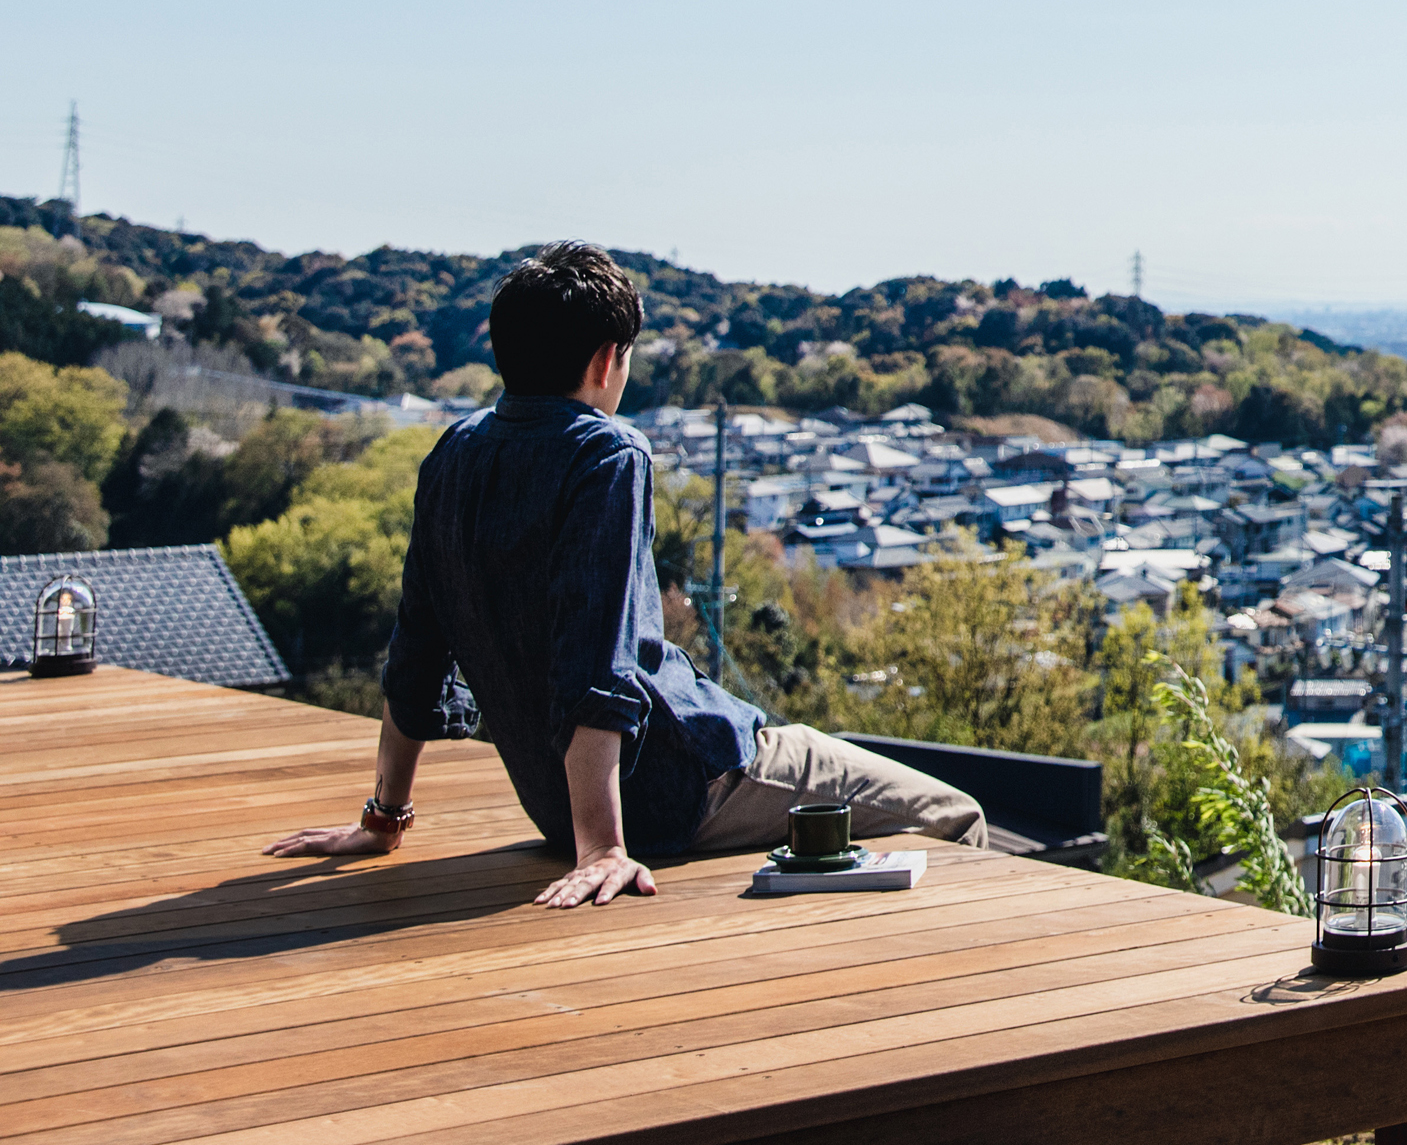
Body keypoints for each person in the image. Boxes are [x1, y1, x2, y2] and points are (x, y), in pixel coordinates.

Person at [268, 241, 986, 906]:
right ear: (607, 358)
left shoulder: (453, 453)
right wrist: (605, 847)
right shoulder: (607, 452)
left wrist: (383, 817)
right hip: (686, 782)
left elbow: (417, 651)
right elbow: (599, 664)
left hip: (556, 805)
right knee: (956, 815)